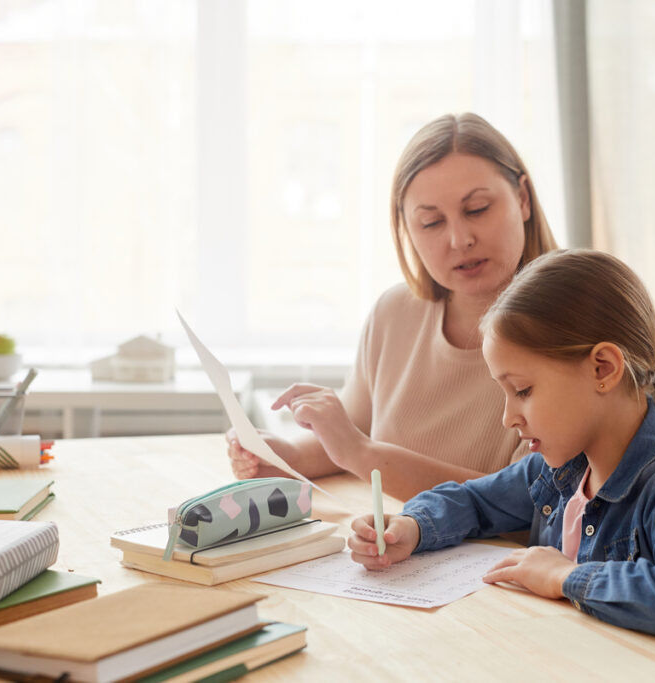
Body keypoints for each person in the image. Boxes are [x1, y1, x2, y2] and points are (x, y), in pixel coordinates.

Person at [348, 249, 655, 643]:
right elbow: (475, 502)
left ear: (602, 368)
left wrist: (564, 576)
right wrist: (411, 528)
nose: (508, 417)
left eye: (523, 390)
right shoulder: (558, 471)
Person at [227, 113, 559, 500]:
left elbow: (528, 502)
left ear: (522, 198)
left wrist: (359, 452)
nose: (459, 239)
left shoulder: (567, 331)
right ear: (406, 229)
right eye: (431, 222)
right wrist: (287, 456)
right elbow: (353, 436)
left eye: (477, 209)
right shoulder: (395, 314)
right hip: (388, 547)